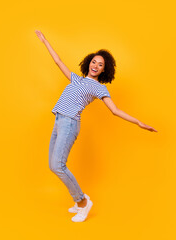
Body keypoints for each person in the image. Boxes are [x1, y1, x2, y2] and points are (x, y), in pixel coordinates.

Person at [35, 30, 158, 222]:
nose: (96, 66)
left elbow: (115, 110)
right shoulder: (76, 79)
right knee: (53, 166)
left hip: (69, 123)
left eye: (100, 65)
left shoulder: (99, 88)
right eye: (94, 62)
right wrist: (45, 41)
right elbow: (58, 61)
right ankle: (78, 201)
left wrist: (138, 122)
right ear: (89, 62)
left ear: (103, 70)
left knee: (58, 165)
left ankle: (83, 202)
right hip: (58, 120)